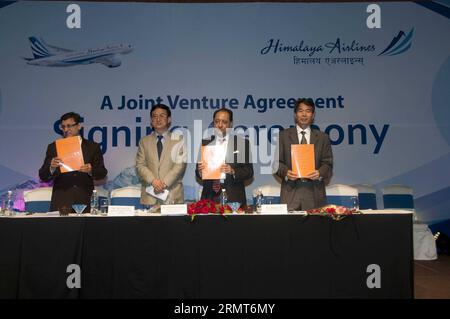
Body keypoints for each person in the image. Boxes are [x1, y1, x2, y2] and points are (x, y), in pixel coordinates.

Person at [39, 112, 108, 211]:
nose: (66, 130)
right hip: (61, 202)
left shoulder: (93, 147)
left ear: (79, 126)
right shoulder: (53, 147)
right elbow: (43, 176)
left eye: (69, 126)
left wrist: (91, 170)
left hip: (85, 201)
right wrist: (52, 167)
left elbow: (102, 173)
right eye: (63, 127)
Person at [275, 98, 333, 211]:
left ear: (313, 115)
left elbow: (328, 164)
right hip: (291, 193)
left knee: (315, 228)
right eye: (300, 111)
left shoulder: (322, 137)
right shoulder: (283, 136)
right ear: (295, 114)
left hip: (314, 193)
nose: (304, 114)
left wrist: (319, 172)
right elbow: (276, 164)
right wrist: (286, 172)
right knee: (290, 228)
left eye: (308, 111)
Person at [196, 108, 253, 205]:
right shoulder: (205, 143)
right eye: (217, 121)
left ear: (231, 124)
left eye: (224, 122)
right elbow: (197, 171)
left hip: (234, 198)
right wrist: (200, 171)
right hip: (209, 198)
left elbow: (249, 172)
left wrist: (233, 171)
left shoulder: (242, 144)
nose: (220, 125)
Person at [136, 104, 187, 205]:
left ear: (169, 119)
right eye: (154, 116)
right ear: (151, 120)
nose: (158, 119)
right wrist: (153, 181)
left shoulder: (179, 140)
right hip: (150, 197)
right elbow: (140, 165)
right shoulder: (144, 141)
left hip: (172, 196)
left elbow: (180, 166)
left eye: (162, 116)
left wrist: (163, 184)